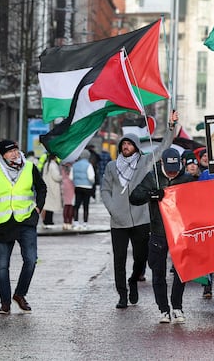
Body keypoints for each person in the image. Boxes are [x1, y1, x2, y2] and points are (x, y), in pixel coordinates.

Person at [101, 109, 178, 309]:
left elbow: (163, 148)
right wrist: (112, 209)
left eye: (129, 144)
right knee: (118, 260)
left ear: (136, 147)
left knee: (141, 258)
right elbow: (105, 190)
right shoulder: (111, 166)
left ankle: (133, 280)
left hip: (141, 218)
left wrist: (171, 127)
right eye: (123, 144)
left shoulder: (144, 163)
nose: (126, 147)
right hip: (118, 220)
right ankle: (122, 295)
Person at [0, 140, 47, 314]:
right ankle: (5, 303)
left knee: (31, 260)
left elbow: (41, 188)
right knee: (2, 266)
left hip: (26, 220)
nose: (14, 154)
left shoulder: (30, 167)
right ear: (2, 155)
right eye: (9, 152)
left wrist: (38, 207)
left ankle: (20, 294)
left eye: (16, 150)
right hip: (3, 223)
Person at [129, 147, 194, 324]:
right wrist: (151, 195)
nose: (173, 175)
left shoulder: (186, 179)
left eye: (175, 171)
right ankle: (163, 309)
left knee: (181, 271)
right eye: (169, 171)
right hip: (158, 232)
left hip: (180, 233)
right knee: (158, 272)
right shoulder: (153, 177)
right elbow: (134, 197)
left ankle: (177, 307)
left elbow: (196, 202)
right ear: (162, 164)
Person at [71, 150, 95, 229]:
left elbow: (71, 177)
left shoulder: (74, 165)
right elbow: (91, 177)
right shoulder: (88, 165)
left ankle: (76, 222)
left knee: (76, 205)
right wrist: (92, 183)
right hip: (87, 187)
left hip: (77, 186)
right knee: (86, 206)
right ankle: (85, 223)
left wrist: (76, 182)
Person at [38, 151, 61, 229]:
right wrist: (62, 177)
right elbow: (56, 177)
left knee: (48, 205)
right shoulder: (53, 165)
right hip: (53, 186)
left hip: (48, 185)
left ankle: (47, 220)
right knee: (51, 205)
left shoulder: (47, 164)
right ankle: (49, 220)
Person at [59, 161, 75, 230]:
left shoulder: (62, 168)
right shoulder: (72, 167)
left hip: (64, 186)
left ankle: (65, 222)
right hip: (71, 185)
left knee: (66, 205)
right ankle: (70, 223)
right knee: (71, 205)